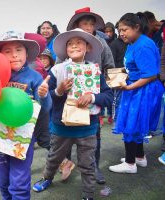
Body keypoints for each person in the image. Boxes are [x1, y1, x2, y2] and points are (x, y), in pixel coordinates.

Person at [32, 28, 113, 200]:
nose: (74, 46)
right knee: (54, 157)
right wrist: (58, 91)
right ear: (65, 49)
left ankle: (88, 194)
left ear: (88, 47)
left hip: (88, 126)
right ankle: (47, 177)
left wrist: (91, 97)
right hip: (62, 126)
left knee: (87, 163)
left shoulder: (95, 71)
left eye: (79, 42)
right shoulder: (57, 70)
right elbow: (48, 99)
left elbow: (108, 96)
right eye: (70, 43)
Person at [0, 30, 52, 200]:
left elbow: (46, 107)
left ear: (26, 53)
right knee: (1, 180)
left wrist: (44, 95)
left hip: (23, 138)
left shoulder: (34, 77)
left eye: (18, 50)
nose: (14, 55)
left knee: (19, 182)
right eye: (7, 51)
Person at [65, 7, 115, 184]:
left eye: (91, 24)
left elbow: (109, 65)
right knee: (65, 136)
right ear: (77, 24)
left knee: (94, 135)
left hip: (94, 98)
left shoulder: (102, 42)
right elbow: (58, 66)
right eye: (84, 23)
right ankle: (64, 165)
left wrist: (104, 85)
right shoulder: (70, 40)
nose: (88, 27)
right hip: (70, 99)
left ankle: (94, 167)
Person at [109, 12, 163, 173]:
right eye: (120, 30)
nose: (121, 33)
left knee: (130, 124)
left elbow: (151, 74)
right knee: (136, 124)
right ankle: (139, 158)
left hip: (141, 90)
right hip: (137, 87)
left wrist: (128, 87)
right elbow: (133, 67)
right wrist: (118, 73)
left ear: (137, 27)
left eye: (125, 29)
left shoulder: (143, 45)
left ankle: (130, 164)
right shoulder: (134, 42)